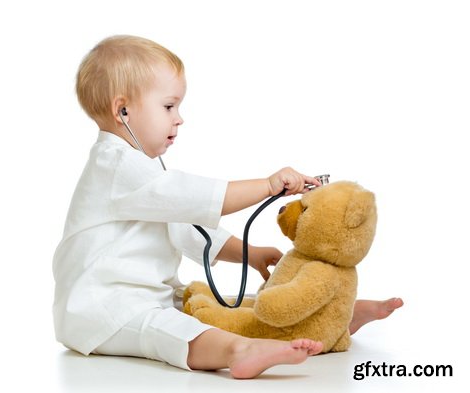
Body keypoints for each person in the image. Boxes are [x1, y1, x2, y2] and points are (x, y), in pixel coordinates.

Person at [53, 35, 403, 379]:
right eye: (169, 106)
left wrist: (248, 253)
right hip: (101, 310)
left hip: (146, 297)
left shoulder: (142, 169)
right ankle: (239, 351)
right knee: (164, 329)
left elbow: (188, 227)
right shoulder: (114, 165)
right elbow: (198, 198)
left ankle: (332, 317)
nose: (179, 118)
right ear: (123, 110)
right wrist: (267, 186)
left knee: (220, 307)